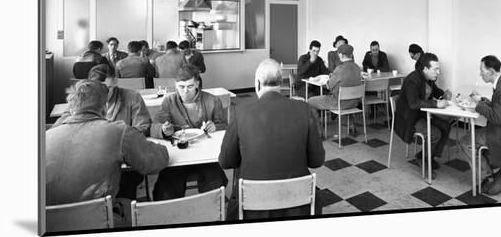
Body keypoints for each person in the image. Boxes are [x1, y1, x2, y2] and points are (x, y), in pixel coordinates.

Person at [219, 59, 325, 220]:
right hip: (298, 203)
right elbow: (317, 161)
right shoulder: (304, 109)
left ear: (257, 84)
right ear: (281, 82)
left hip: (252, 207)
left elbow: (226, 161)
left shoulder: (240, 113)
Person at [46, 80, 169, 208]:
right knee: (130, 204)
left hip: (49, 223)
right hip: (99, 219)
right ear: (105, 108)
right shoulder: (119, 131)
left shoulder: (45, 137)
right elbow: (154, 162)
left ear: (71, 108)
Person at [53, 64, 153, 201]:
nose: (105, 92)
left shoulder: (132, 97)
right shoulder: (81, 99)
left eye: (110, 87)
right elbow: (59, 126)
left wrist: (123, 140)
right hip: (89, 161)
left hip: (126, 161)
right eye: (100, 87)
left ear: (116, 82)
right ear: (89, 85)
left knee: (126, 183)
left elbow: (143, 126)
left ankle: (123, 213)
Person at [150, 64, 228, 200]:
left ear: (197, 84)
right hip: (178, 155)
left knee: (215, 182)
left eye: (190, 86)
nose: (185, 91)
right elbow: (154, 127)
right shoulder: (169, 101)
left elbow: (224, 125)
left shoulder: (212, 100)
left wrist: (216, 126)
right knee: (166, 188)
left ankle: (213, 211)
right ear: (175, 85)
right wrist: (163, 130)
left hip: (205, 155)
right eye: (181, 87)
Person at [393, 53, 452, 177]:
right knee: (435, 134)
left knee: (446, 126)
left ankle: (428, 156)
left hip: (421, 114)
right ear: (425, 69)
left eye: (438, 68)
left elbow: (436, 92)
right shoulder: (413, 80)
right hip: (409, 118)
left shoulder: (428, 79)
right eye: (435, 69)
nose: (439, 72)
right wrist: (436, 104)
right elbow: (413, 103)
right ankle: (424, 159)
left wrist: (444, 95)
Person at [461, 55, 501, 195]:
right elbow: (499, 108)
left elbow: (497, 117)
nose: (480, 73)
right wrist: (482, 99)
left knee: (465, 141)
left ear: (491, 71)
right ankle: (498, 169)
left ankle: (489, 175)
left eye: (482, 70)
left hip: (500, 133)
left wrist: (478, 104)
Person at [308, 44, 362, 119]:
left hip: (338, 103)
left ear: (341, 55)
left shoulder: (339, 69)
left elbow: (329, 86)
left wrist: (330, 79)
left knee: (310, 101)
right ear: (351, 54)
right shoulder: (357, 68)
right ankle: (352, 126)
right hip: (354, 103)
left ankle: (317, 127)